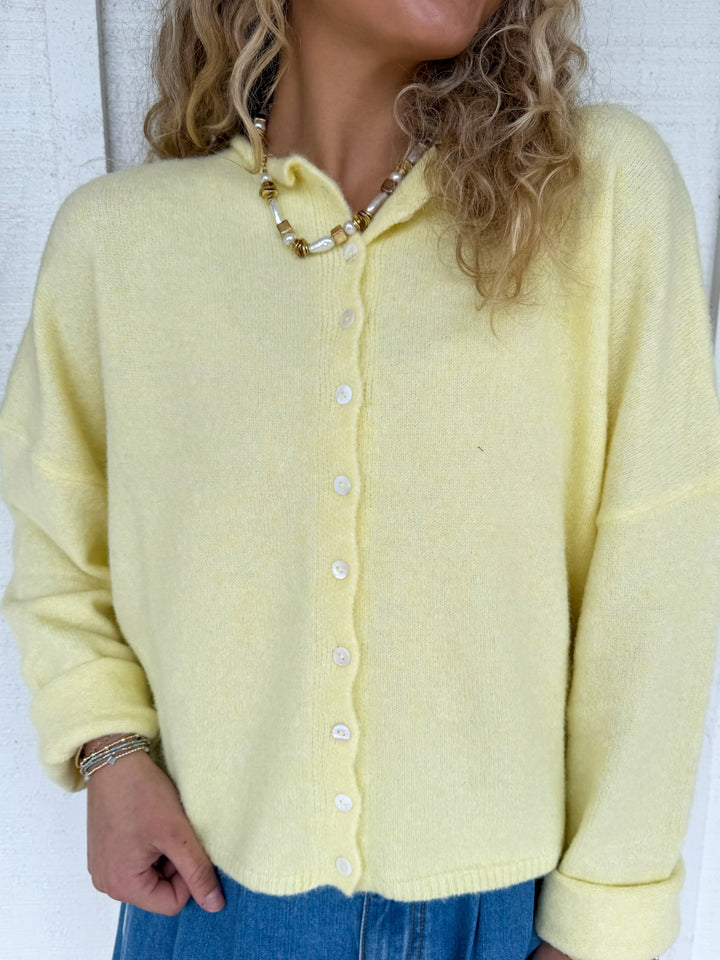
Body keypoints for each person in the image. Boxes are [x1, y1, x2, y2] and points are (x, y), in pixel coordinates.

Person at [1, 0, 719, 958]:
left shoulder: (593, 192)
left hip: (499, 920)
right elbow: (60, 545)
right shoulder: (119, 245)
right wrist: (109, 749)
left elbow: (658, 580)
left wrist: (605, 928)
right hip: (207, 906)